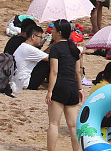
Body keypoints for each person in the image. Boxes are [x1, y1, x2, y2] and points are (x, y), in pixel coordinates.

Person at [45, 19, 83, 151]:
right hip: (73, 86)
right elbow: (78, 71)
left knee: (54, 124)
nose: (52, 32)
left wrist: (50, 90)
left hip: (60, 86)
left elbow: (54, 71)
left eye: (53, 30)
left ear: (59, 32)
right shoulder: (74, 48)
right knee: (73, 126)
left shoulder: (55, 49)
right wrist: (80, 88)